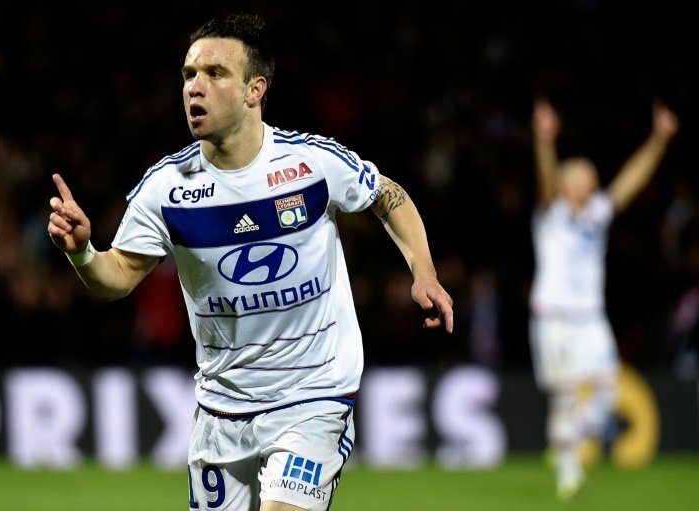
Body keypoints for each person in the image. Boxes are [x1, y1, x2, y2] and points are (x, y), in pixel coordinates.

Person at [47, 13, 454, 511]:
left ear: (254, 90)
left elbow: (387, 195)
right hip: (221, 407)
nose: (195, 87)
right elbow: (117, 279)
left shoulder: (309, 165)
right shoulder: (166, 189)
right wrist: (82, 252)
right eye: (188, 75)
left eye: (214, 73)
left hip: (313, 393)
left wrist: (424, 272)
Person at [529, 97, 679, 499]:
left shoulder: (596, 213)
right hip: (554, 316)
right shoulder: (551, 212)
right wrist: (544, 141)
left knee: (608, 389)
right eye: (580, 176)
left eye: (590, 176)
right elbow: (545, 177)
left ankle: (567, 439)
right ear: (566, 183)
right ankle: (568, 471)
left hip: (590, 317)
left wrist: (659, 140)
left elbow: (631, 180)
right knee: (563, 395)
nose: (588, 181)